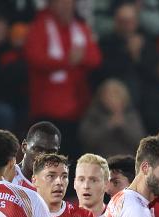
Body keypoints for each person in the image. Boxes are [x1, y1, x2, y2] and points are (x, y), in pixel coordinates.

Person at [23, 0, 101, 158]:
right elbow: (34, 57)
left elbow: (95, 58)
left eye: (69, 3)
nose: (65, 7)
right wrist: (67, 61)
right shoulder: (39, 27)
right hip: (46, 105)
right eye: (60, 3)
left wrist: (78, 59)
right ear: (50, 5)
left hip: (77, 104)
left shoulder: (80, 28)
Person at [77, 78, 146, 158]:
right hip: (100, 161)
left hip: (127, 160)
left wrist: (123, 126)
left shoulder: (131, 115)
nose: (112, 100)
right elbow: (87, 140)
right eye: (109, 96)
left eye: (116, 96)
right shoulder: (93, 114)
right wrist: (108, 125)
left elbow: (139, 141)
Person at [11, 121, 62, 191]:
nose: (44, 156)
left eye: (50, 152)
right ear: (24, 147)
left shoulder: (57, 186)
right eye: (38, 149)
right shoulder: (6, 179)